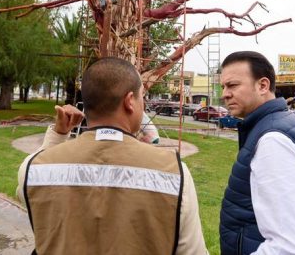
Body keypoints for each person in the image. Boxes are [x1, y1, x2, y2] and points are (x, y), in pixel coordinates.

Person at [17, 57, 206, 254]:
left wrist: (57, 136)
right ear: (129, 101)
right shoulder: (176, 174)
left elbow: (31, 193)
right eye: (142, 97)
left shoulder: (33, 170)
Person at [219, 51, 295, 255]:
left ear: (263, 86)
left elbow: (292, 247)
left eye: (232, 85)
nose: (225, 93)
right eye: (223, 86)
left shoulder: (273, 140)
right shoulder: (277, 124)